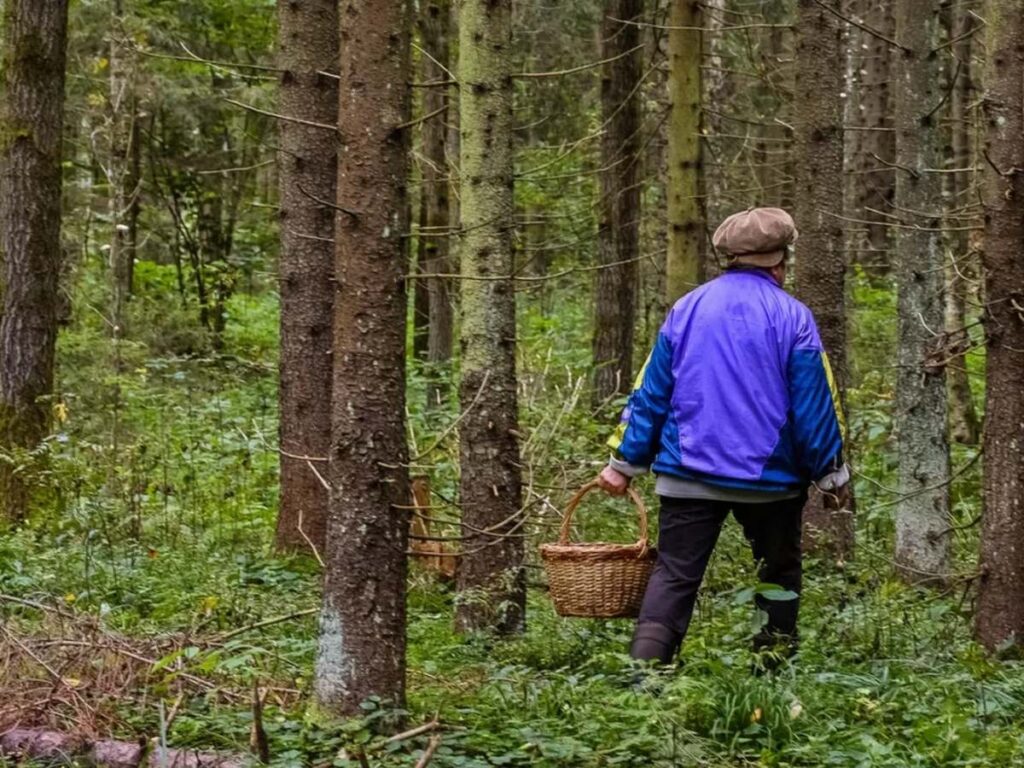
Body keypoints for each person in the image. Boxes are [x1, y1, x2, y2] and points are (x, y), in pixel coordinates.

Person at [596, 207, 850, 666]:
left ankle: (643, 680)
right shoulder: (794, 317)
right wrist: (832, 476)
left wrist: (623, 464)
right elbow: (814, 406)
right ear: (780, 261)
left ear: (729, 257)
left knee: (674, 576)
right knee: (779, 574)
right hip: (771, 484)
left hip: (686, 474)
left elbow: (651, 393)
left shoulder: (686, 309)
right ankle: (770, 674)